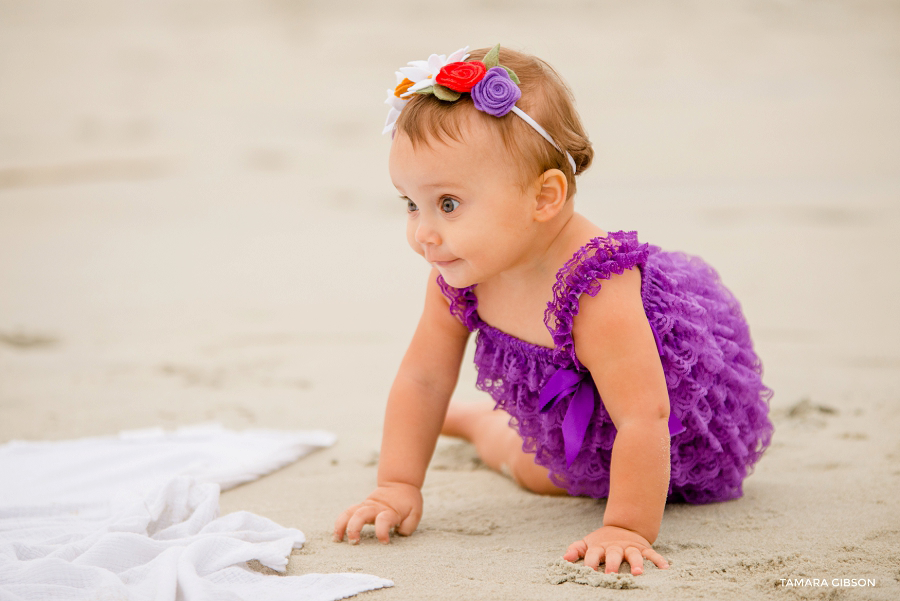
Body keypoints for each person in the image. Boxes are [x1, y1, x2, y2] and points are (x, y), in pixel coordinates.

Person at [333, 44, 773, 576]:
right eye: (410, 204)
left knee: (632, 470)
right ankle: (477, 425)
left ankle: (480, 425)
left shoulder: (595, 288)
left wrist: (626, 527)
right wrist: (396, 486)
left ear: (544, 198)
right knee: (532, 470)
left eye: (447, 204)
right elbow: (424, 378)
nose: (423, 232)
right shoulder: (461, 275)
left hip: (679, 427)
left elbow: (644, 415)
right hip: (579, 429)